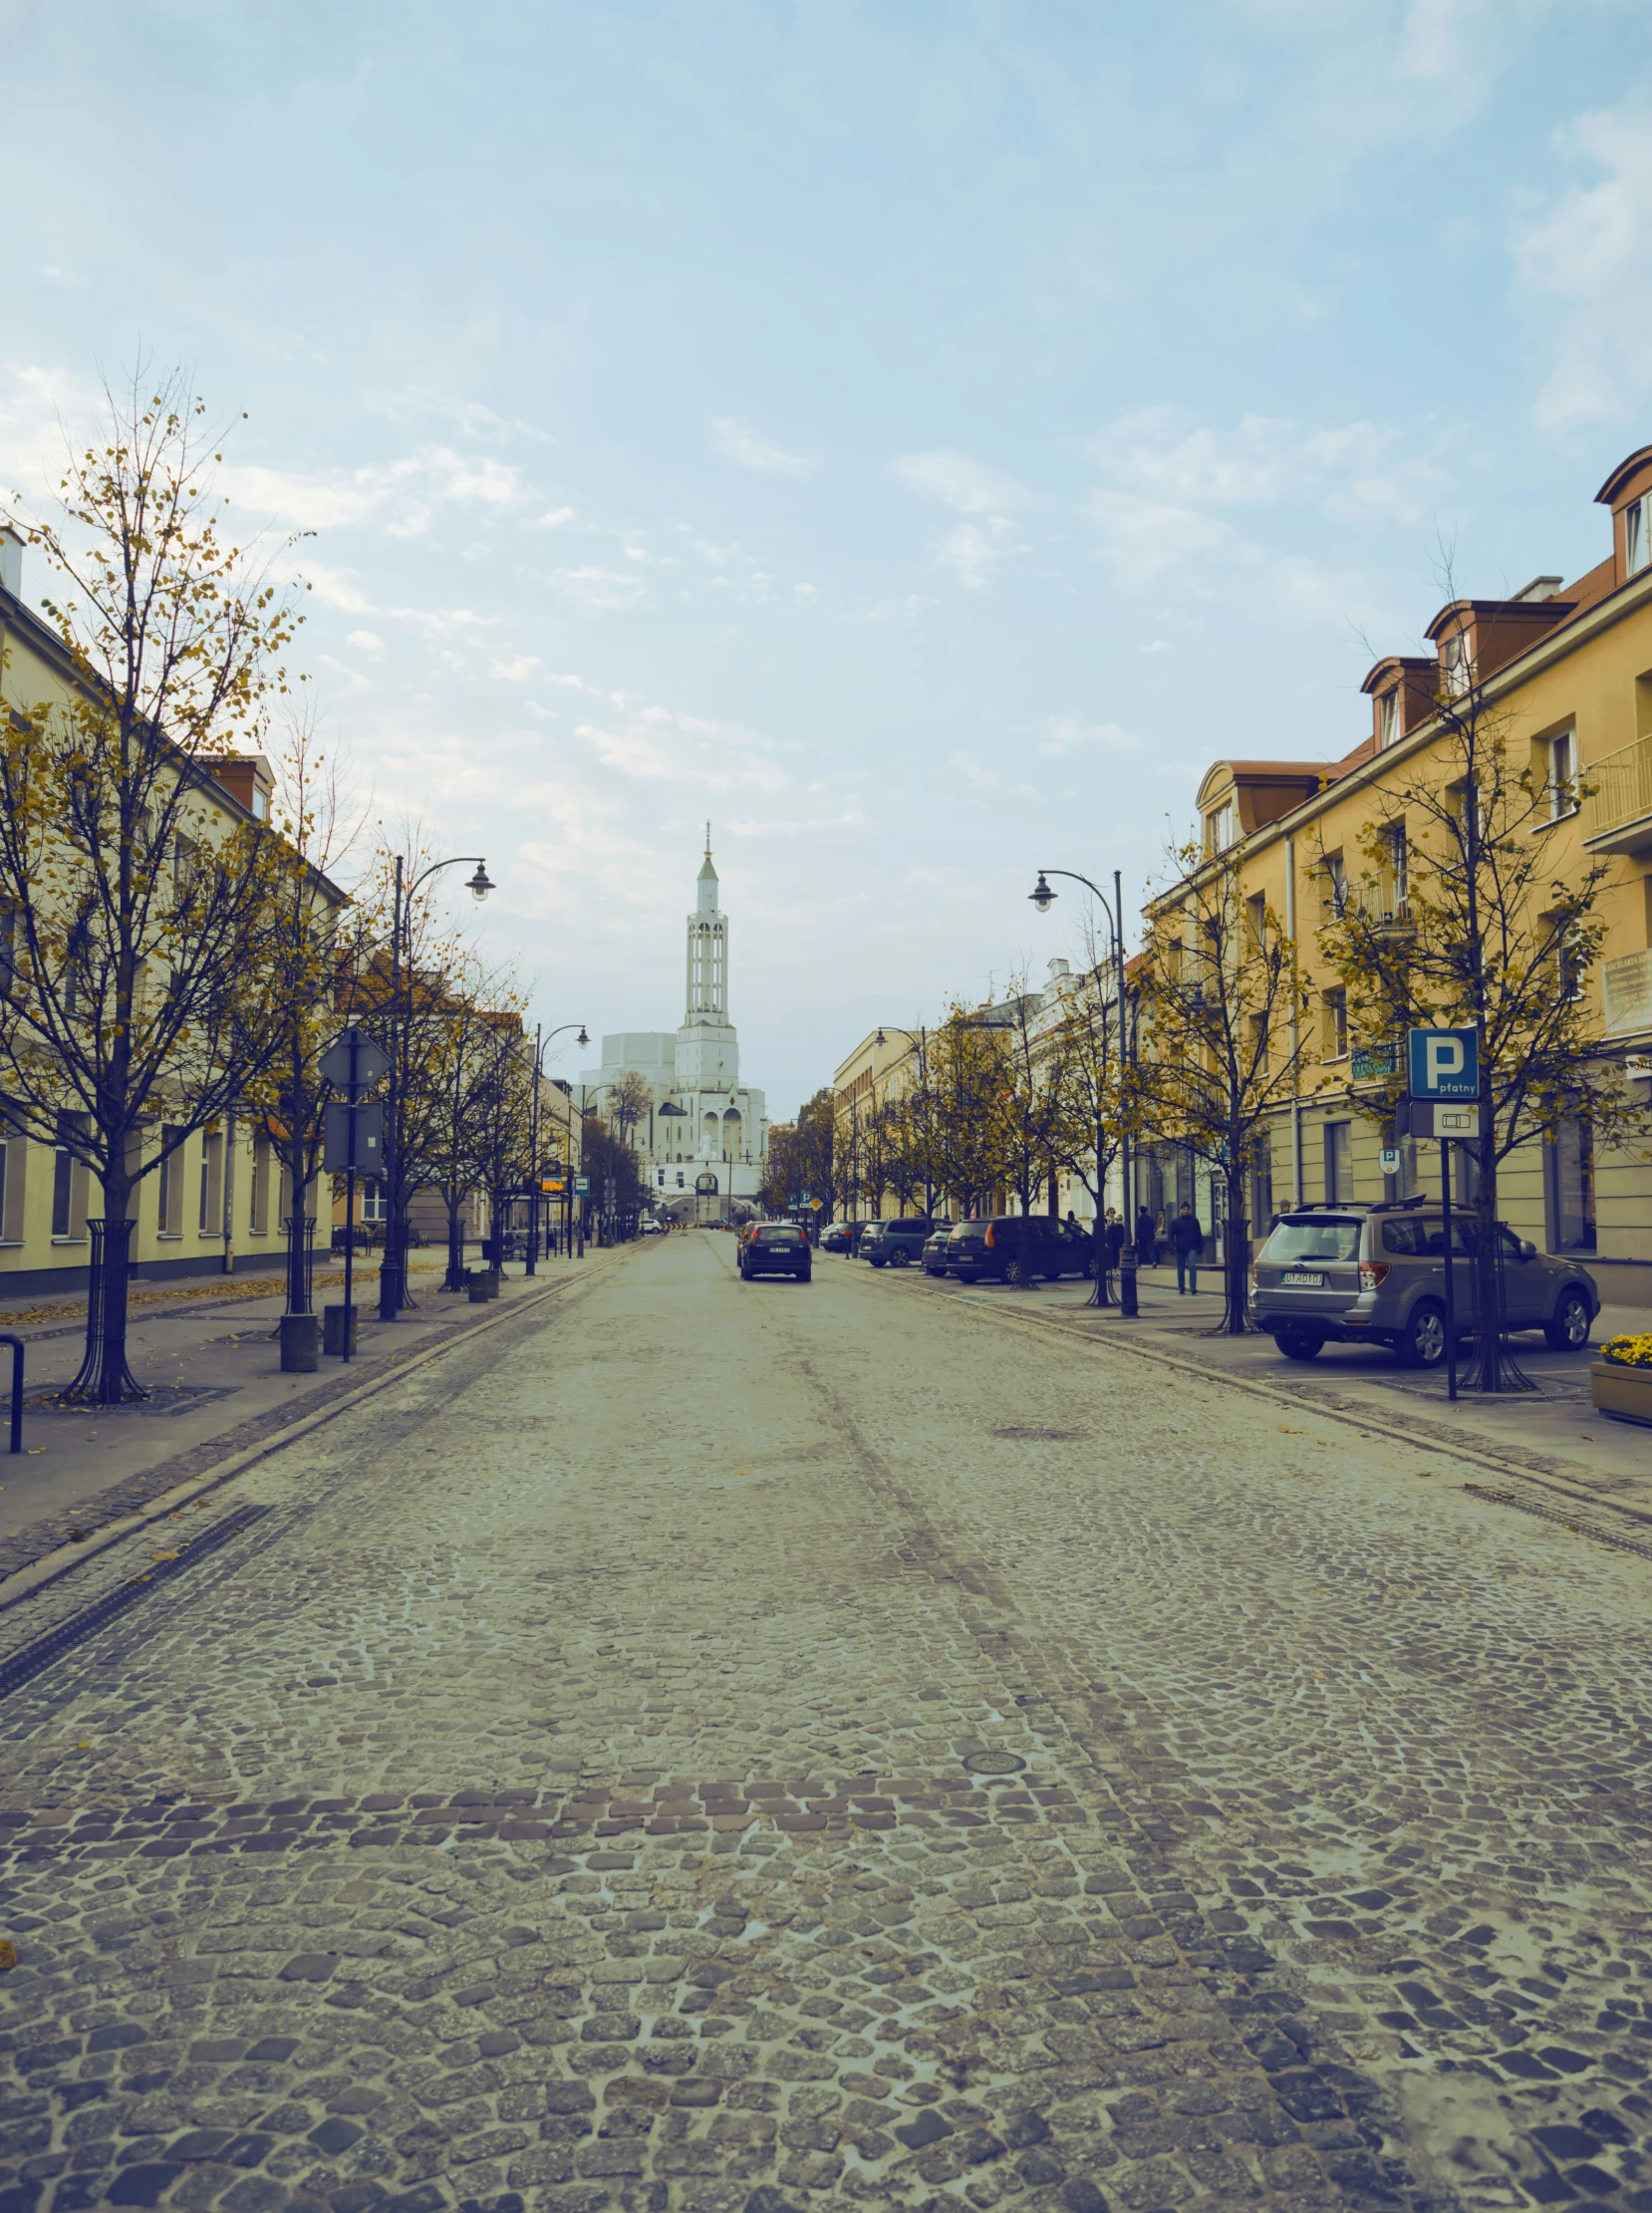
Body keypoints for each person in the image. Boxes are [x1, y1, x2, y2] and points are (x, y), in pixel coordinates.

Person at [1169, 1201, 1204, 1294]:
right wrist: (1172, 1246)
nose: (1186, 1211)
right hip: (1179, 1247)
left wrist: (1200, 1247)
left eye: (1187, 1209)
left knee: (1192, 1266)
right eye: (1184, 1209)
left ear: (1190, 1210)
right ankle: (1181, 1287)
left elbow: (1198, 1234)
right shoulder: (1176, 1222)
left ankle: (1193, 1288)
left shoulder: (1194, 1220)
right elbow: (1170, 1235)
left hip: (1191, 1247)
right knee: (1180, 1268)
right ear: (1180, 1210)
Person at [1135, 1205, 1157, 1269]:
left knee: (1140, 1251)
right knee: (1151, 1250)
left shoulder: (1139, 1219)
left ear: (1140, 1211)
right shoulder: (1150, 1219)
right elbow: (1153, 1227)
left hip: (1141, 1237)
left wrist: (1137, 1237)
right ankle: (1154, 1261)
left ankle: (1139, 1263)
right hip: (1149, 1237)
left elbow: (1138, 1229)